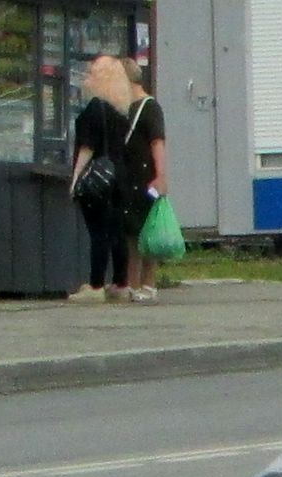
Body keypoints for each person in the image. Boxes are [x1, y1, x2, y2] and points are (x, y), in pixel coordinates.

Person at [68, 56, 131, 303]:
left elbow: (87, 148)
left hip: (98, 177)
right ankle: (120, 283)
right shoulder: (120, 110)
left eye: (92, 72)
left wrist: (75, 179)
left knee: (98, 232)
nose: (87, 76)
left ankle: (95, 285)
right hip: (119, 175)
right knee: (116, 231)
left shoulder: (95, 107)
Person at [116, 57, 167, 304]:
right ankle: (131, 283)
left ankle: (148, 284)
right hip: (127, 176)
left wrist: (160, 175)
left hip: (146, 176)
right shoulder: (124, 107)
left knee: (147, 230)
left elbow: (157, 141)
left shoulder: (150, 107)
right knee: (129, 232)